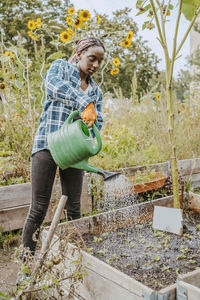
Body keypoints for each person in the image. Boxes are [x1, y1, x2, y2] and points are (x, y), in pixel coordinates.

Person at [22, 36, 105, 254]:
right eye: (92, 59)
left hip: (75, 153)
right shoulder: (60, 68)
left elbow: (99, 121)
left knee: (74, 210)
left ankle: (71, 264)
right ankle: (26, 263)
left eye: (99, 62)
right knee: (38, 209)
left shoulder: (96, 91)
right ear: (79, 54)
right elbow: (52, 86)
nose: (95, 65)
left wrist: (91, 122)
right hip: (47, 145)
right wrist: (83, 103)